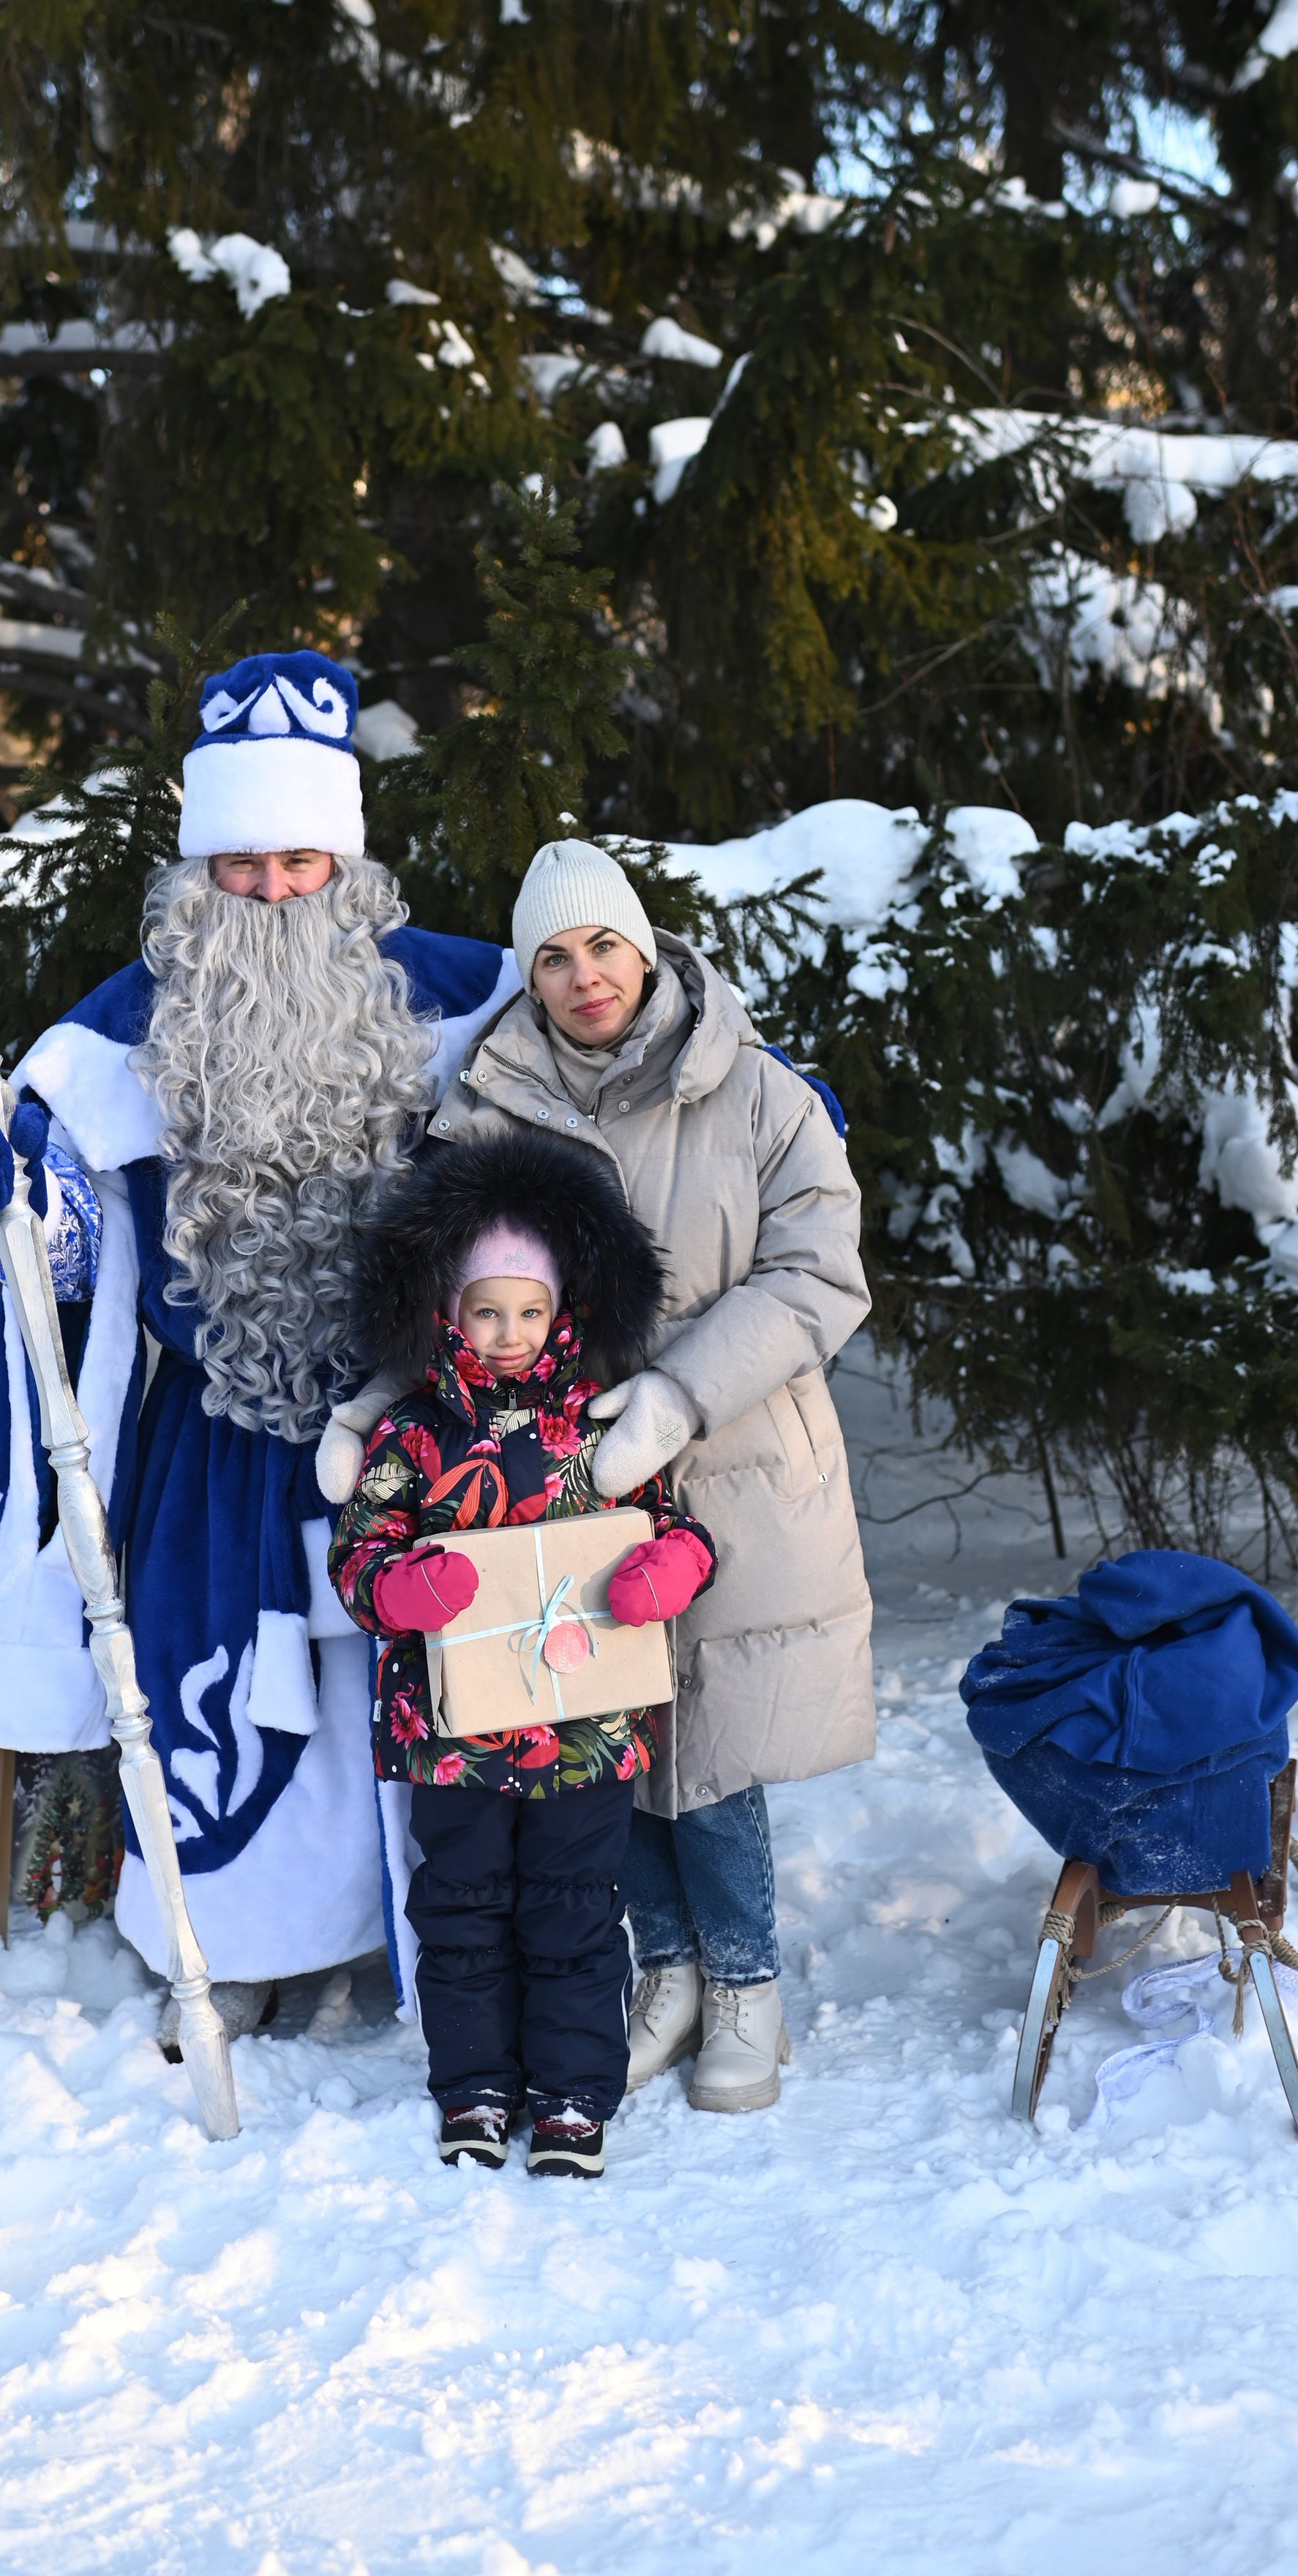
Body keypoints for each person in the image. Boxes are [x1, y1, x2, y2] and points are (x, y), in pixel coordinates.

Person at [0, 651, 521, 2038]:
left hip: (422, 1434)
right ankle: (247, 1947)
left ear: (347, 866)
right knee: (238, 1710)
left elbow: (615, 1076)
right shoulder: (114, 1039)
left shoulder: (463, 998)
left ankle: (443, 1948)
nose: (269, 892)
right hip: (219, 1443)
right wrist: (7, 1197)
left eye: (298, 862)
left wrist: (760, 1119)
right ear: (200, 872)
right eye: (242, 865)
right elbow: (65, 1265)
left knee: (422, 1691)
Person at [410, 835, 874, 2113]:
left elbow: (820, 1273)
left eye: (604, 945)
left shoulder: (758, 1093)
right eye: (554, 959)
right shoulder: (486, 1110)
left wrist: (677, 1391)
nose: (585, 978)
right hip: (569, 1482)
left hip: (736, 1457)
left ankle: (747, 1984)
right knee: (616, 1733)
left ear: (647, 945)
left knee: (713, 1748)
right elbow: (440, 1289)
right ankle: (663, 1972)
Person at [326, 1130, 715, 2174]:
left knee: (575, 1909)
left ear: (562, 1311)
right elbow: (359, 1553)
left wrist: (668, 1569)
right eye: (486, 1311)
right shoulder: (413, 1434)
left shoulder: (595, 1427)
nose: (507, 1335)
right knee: (461, 1907)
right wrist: (399, 1588)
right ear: (447, 1311)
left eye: (529, 1312)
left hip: (582, 1729)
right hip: (451, 1735)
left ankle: (574, 2096)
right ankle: (475, 2086)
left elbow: (671, 1524)